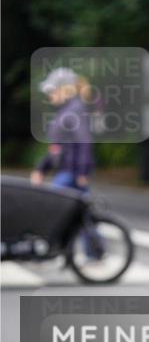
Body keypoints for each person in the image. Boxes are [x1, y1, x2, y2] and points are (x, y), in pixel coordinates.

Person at [31, 67, 103, 259]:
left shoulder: (75, 110)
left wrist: (82, 171)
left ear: (65, 90)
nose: (50, 95)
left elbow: (84, 141)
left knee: (54, 207)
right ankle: (94, 251)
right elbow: (57, 147)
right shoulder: (66, 111)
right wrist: (42, 168)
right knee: (82, 214)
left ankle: (49, 248)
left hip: (71, 172)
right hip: (67, 170)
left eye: (52, 91)